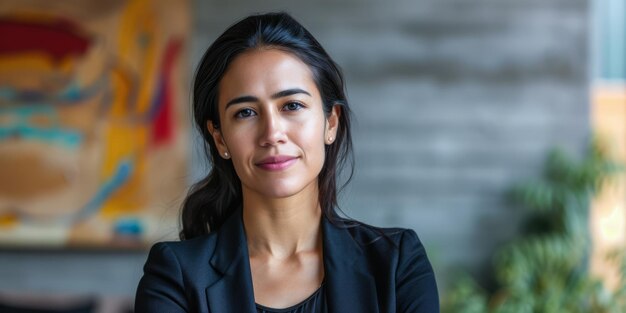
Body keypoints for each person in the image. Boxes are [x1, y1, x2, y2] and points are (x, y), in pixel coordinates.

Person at [135, 12, 439, 313]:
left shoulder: (397, 263)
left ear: (330, 123)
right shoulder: (175, 275)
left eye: (292, 106)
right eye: (245, 112)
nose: (272, 133)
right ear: (220, 139)